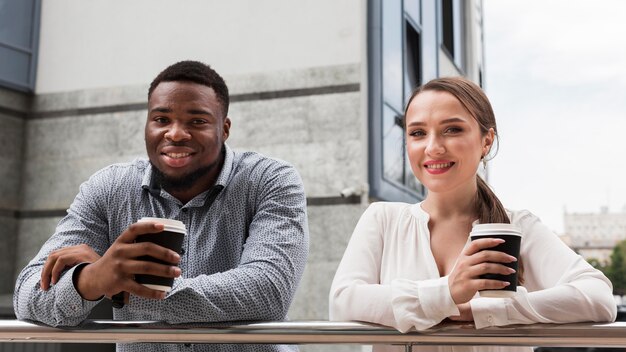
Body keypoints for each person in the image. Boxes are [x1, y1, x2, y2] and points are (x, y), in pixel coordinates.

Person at [14, 60, 309, 352]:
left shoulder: (270, 180)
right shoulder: (108, 188)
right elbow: (28, 294)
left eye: (198, 121)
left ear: (225, 128)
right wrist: (89, 278)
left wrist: (116, 285)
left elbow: (268, 291)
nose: (176, 133)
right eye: (161, 120)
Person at [329, 77, 616, 352]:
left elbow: (598, 297)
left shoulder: (517, 226)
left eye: (452, 129)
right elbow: (343, 303)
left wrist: (488, 310)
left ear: (486, 141)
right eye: (417, 133)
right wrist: (447, 292)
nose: (433, 147)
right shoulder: (383, 219)